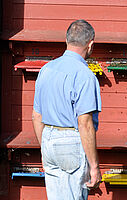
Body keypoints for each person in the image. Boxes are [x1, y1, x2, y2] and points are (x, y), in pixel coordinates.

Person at [32, 19, 101, 200]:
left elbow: (36, 115)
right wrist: (94, 167)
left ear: (66, 39)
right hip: (71, 141)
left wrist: (44, 148)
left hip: (47, 138)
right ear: (90, 44)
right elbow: (85, 123)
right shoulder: (84, 75)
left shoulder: (46, 69)